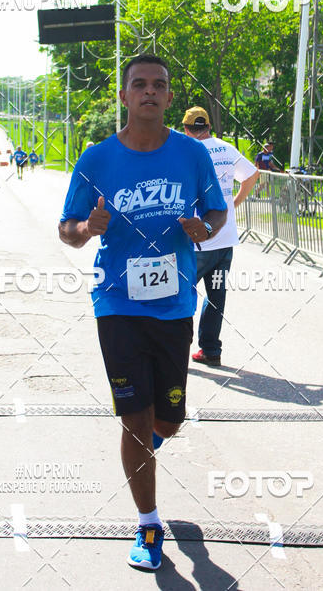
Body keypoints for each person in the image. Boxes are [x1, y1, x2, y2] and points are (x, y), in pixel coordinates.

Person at [59, 55, 226, 571]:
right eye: (139, 84)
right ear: (125, 96)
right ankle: (148, 524)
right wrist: (87, 228)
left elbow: (217, 210)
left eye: (158, 85)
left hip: (174, 304)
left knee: (167, 422)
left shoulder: (192, 154)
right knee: (134, 419)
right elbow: (67, 229)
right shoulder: (96, 158)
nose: (149, 92)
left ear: (169, 97)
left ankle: (143, 448)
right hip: (117, 301)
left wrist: (205, 228)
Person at [182, 106, 259, 366]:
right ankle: (211, 349)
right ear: (208, 126)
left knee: (181, 295)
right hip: (225, 238)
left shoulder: (189, 152)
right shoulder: (226, 149)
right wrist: (234, 203)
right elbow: (252, 174)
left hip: (199, 241)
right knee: (216, 296)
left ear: (186, 129)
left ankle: (178, 349)